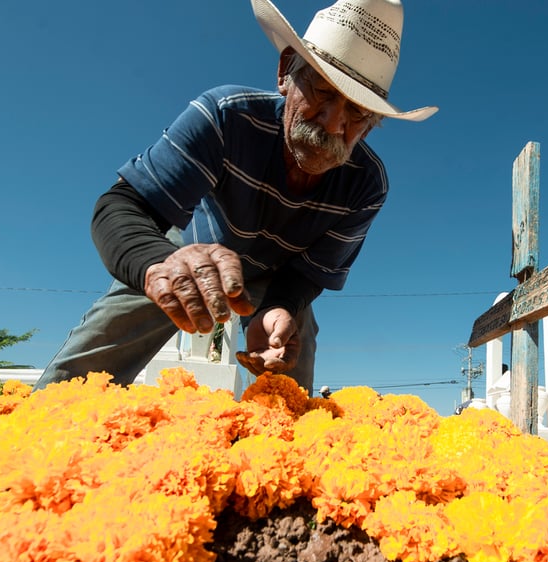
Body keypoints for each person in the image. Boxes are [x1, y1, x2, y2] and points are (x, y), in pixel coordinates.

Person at [35, 0, 436, 393]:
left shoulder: (366, 183)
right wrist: (156, 266)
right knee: (112, 332)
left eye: (358, 113)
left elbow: (308, 275)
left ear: (371, 124)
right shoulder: (227, 116)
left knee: (291, 354)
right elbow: (125, 205)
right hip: (192, 250)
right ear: (284, 72)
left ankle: (279, 450)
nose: (334, 124)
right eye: (321, 91)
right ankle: (40, 425)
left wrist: (278, 308)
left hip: (278, 274)